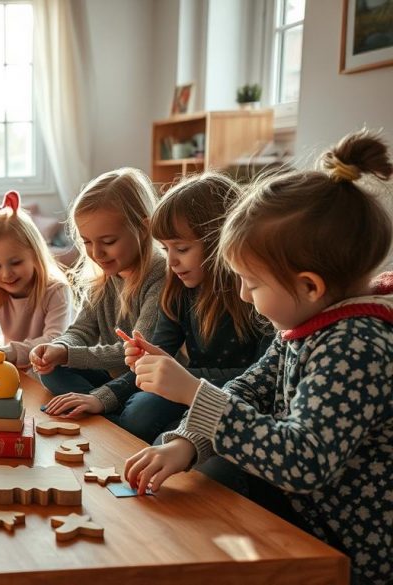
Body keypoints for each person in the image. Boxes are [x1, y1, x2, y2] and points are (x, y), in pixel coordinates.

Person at [124, 129, 393, 585]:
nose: (244, 295)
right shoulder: (306, 325)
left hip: (348, 550)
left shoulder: (356, 346)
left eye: (251, 281)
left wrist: (192, 390)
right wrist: (188, 441)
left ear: (310, 286)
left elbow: (303, 461)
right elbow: (250, 386)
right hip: (304, 515)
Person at [43, 173, 271, 443]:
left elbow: (260, 378)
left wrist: (177, 378)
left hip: (225, 395)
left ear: (220, 241)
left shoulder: (258, 298)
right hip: (180, 384)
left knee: (139, 416)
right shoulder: (178, 287)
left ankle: (154, 433)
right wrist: (99, 396)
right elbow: (149, 361)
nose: (170, 262)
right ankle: (135, 428)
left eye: (182, 249)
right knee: (54, 370)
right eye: (165, 248)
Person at [29, 168, 166, 406]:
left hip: (144, 379)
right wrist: (58, 347)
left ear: (144, 229)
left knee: (143, 412)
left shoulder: (160, 276)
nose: (96, 253)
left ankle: (105, 408)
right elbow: (81, 331)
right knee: (50, 371)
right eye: (87, 242)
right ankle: (103, 406)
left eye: (108, 242)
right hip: (110, 377)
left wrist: (69, 354)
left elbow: (137, 353)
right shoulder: (103, 277)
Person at [0, 191, 69, 373]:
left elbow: (54, 340)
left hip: (53, 367)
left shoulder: (56, 291)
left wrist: (6, 352)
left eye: (15, 263)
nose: (6, 274)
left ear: (34, 254)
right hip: (13, 365)